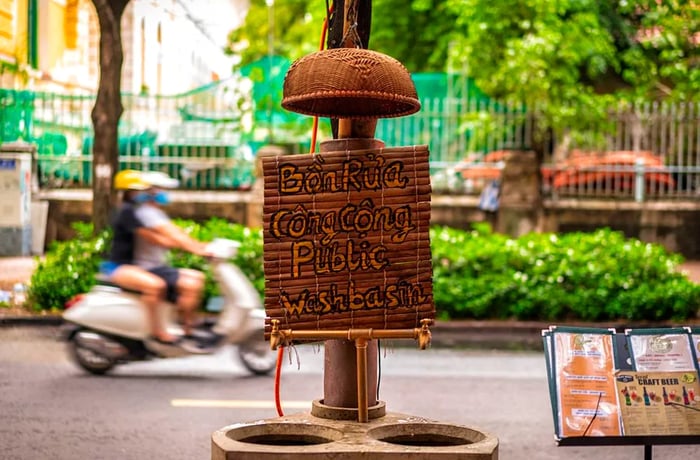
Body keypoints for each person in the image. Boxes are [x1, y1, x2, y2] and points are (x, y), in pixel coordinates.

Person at [103, 170, 208, 347]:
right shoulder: (128, 213)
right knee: (155, 286)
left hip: (137, 266)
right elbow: (155, 237)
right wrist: (189, 246)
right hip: (120, 267)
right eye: (137, 191)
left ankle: (187, 329)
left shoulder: (135, 211)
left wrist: (192, 246)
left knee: (194, 280)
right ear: (127, 192)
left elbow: (164, 237)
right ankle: (156, 332)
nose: (141, 194)